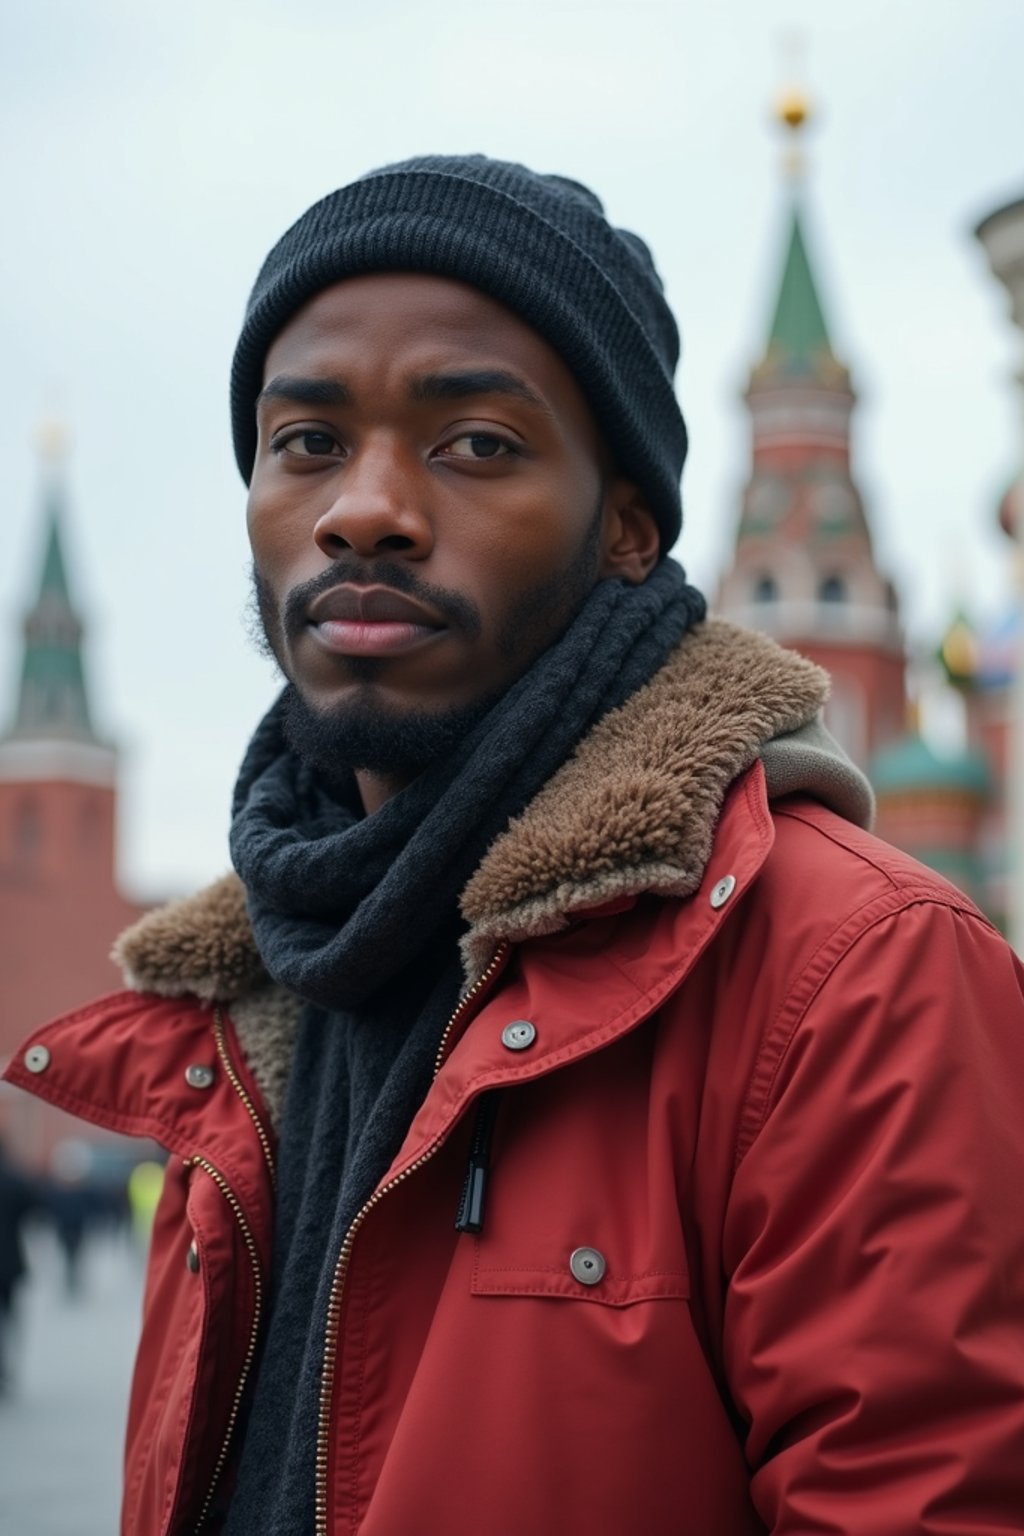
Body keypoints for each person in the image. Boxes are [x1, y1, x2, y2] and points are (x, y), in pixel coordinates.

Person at [4, 155, 1024, 1535]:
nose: (363, 506)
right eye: (305, 442)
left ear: (626, 526)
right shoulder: (235, 1009)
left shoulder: (852, 973)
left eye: (475, 441)